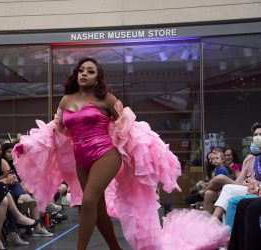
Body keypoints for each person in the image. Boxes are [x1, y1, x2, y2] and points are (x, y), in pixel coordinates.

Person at [12, 57, 229, 250]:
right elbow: (55, 129)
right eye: (81, 70)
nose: (84, 74)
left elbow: (129, 126)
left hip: (106, 155)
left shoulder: (107, 99)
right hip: (81, 160)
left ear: (98, 78)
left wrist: (148, 150)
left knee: (87, 202)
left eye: (90, 71)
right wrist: (29, 144)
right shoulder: (66, 100)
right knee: (97, 208)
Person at [184, 123, 261, 213]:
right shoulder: (249, 158)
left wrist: (252, 183)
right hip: (242, 186)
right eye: (255, 135)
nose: (257, 137)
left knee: (220, 177)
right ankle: (209, 225)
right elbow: (239, 180)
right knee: (209, 194)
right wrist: (243, 182)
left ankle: (201, 194)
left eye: (260, 134)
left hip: (254, 189)